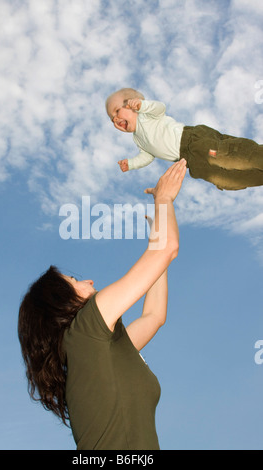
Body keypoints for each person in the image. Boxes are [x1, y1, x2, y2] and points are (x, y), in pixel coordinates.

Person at [18, 158, 187, 450]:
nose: (90, 281)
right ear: (61, 301)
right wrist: (164, 199)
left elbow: (154, 315)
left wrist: (157, 247)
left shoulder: (98, 349)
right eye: (75, 281)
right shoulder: (83, 331)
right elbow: (168, 249)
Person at [105, 87, 263, 191]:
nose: (115, 119)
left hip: (193, 142)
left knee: (228, 157)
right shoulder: (137, 139)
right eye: (112, 119)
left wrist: (143, 105)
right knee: (223, 180)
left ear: (132, 105)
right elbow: (146, 156)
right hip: (191, 162)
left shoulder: (146, 114)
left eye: (117, 111)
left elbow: (160, 108)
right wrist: (131, 163)